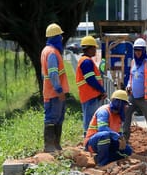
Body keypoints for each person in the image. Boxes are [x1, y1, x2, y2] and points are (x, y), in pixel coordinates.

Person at [123, 38, 147, 152]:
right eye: (136, 50)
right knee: (126, 115)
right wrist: (129, 85)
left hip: (146, 98)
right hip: (133, 96)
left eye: (140, 50)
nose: (138, 52)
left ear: (144, 51)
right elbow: (131, 77)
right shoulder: (133, 62)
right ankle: (124, 139)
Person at [84, 90, 133, 166]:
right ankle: (102, 163)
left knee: (128, 151)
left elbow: (118, 132)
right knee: (104, 135)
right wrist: (117, 136)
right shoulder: (104, 111)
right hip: (93, 143)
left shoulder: (118, 116)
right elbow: (102, 128)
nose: (126, 107)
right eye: (125, 105)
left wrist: (122, 140)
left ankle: (98, 158)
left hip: (108, 141)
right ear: (119, 104)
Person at [40, 23, 69, 152]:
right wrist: (59, 90)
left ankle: (55, 146)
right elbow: (53, 73)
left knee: (58, 118)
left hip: (52, 92)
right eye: (60, 36)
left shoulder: (47, 51)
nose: (61, 39)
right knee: (52, 118)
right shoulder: (52, 53)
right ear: (55, 37)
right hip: (54, 93)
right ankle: (50, 146)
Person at [76, 36, 107, 135]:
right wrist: (102, 90)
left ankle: (89, 140)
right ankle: (88, 141)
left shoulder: (85, 60)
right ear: (89, 48)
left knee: (90, 120)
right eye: (94, 48)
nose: (95, 50)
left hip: (89, 95)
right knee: (90, 121)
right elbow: (90, 79)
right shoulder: (86, 62)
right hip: (90, 96)